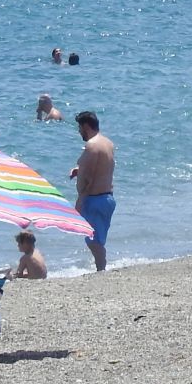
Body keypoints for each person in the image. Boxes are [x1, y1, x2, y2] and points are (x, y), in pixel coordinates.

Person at [71, 111, 116, 272]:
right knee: (96, 239)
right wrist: (79, 170)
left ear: (85, 126)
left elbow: (89, 178)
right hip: (107, 198)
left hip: (94, 199)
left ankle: (101, 270)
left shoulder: (91, 146)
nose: (78, 131)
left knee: (93, 241)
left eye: (79, 127)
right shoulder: (108, 143)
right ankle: (101, 268)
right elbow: (100, 168)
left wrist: (80, 200)